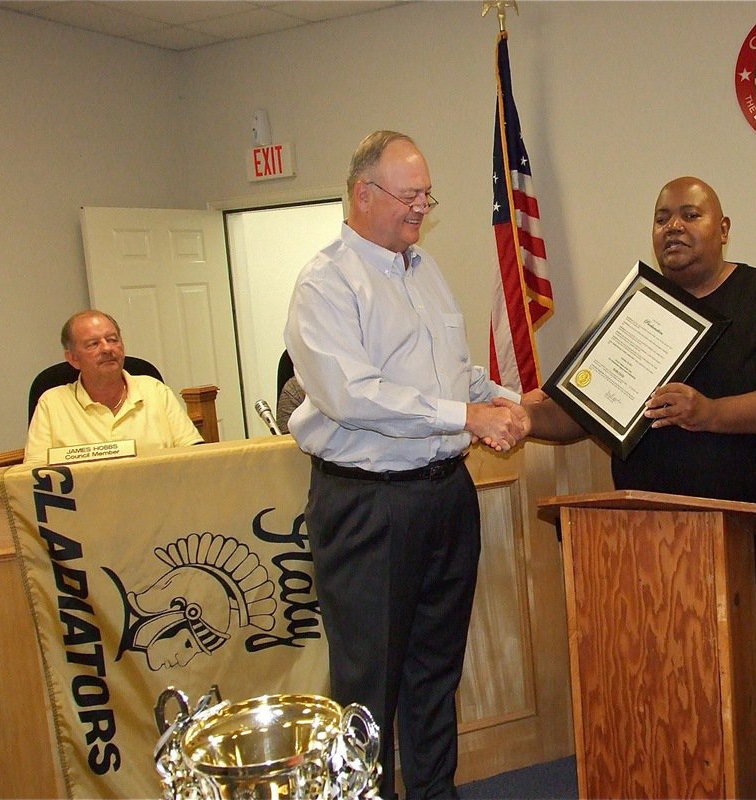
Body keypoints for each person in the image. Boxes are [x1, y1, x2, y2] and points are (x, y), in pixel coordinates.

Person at [527, 176, 756, 799]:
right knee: (658, 687)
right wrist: (509, 415)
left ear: (723, 229)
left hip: (745, 545)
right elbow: (575, 408)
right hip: (641, 552)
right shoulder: (636, 313)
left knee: (754, 684)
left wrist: (712, 412)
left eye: (690, 214)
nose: (673, 226)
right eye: (662, 216)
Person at [283, 130, 528, 800]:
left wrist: (505, 398)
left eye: (428, 194)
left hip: (445, 496)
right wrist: (467, 418)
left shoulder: (423, 269)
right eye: (410, 194)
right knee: (369, 686)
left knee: (434, 672)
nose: (423, 207)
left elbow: (453, 373)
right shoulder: (326, 283)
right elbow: (351, 395)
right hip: (370, 507)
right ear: (364, 194)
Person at [24, 310, 203, 464]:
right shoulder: (51, 403)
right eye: (93, 344)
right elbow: (33, 476)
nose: (107, 348)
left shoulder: (155, 390)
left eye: (112, 340)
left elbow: (195, 454)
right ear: (73, 358)